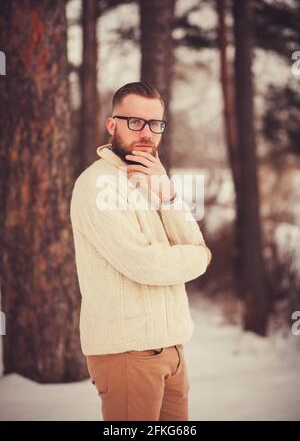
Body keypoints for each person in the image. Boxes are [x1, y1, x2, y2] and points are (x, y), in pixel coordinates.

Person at [70, 81, 212, 421]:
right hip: (128, 354)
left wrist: (167, 195)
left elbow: (195, 244)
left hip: (172, 351)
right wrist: (197, 257)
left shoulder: (152, 179)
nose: (146, 133)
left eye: (155, 124)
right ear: (112, 125)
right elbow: (145, 265)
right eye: (135, 122)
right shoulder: (96, 185)